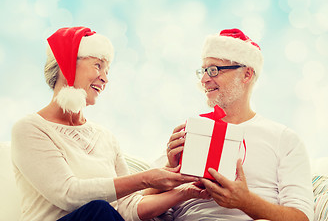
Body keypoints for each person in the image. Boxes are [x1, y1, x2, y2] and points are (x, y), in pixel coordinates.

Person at [11, 26, 209, 221]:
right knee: (98, 209)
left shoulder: (105, 137)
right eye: (98, 65)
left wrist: (186, 192)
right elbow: (69, 195)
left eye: (107, 70)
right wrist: (146, 178)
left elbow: (127, 207)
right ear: (67, 64)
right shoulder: (30, 129)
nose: (105, 78)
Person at [164, 28, 314, 221]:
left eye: (214, 70)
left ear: (246, 75)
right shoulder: (191, 131)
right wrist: (169, 167)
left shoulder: (283, 139)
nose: (204, 80)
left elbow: (302, 218)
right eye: (203, 71)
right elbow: (139, 201)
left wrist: (245, 201)